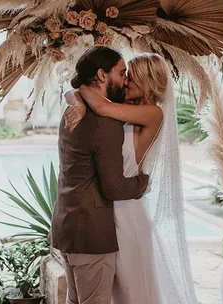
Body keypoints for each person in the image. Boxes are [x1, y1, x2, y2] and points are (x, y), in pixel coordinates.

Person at [65, 53, 199, 304]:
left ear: (147, 82)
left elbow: (100, 105)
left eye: (131, 78)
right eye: (124, 76)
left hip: (127, 213)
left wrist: (80, 93)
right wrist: (77, 100)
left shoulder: (153, 114)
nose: (125, 82)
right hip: (105, 212)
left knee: (131, 293)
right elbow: (74, 94)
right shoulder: (123, 110)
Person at [50, 46, 150, 304]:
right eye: (121, 72)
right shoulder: (105, 123)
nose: (125, 79)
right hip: (91, 235)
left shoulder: (71, 112)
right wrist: (144, 181)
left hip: (66, 228)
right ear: (102, 76)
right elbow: (114, 189)